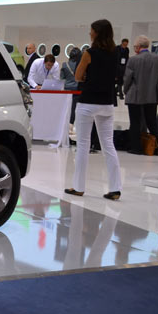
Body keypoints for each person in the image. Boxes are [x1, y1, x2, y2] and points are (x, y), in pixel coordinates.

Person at [65, 19, 122, 200]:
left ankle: (79, 187)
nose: (89, 33)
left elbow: (78, 76)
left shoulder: (89, 53)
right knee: (108, 145)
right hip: (107, 103)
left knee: (83, 144)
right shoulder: (116, 52)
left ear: (96, 33)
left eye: (91, 31)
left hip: (88, 102)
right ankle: (115, 188)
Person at [124, 35, 158, 155]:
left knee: (135, 122)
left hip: (135, 95)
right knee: (152, 121)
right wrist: (156, 91)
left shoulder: (133, 60)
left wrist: (126, 91)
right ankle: (155, 147)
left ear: (137, 47)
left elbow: (128, 79)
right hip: (152, 95)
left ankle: (136, 148)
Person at [61, 47, 82, 134]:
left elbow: (62, 78)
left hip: (67, 89)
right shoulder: (80, 65)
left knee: (66, 108)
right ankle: (71, 125)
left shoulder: (65, 64)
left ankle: (64, 126)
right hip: (77, 90)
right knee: (74, 108)